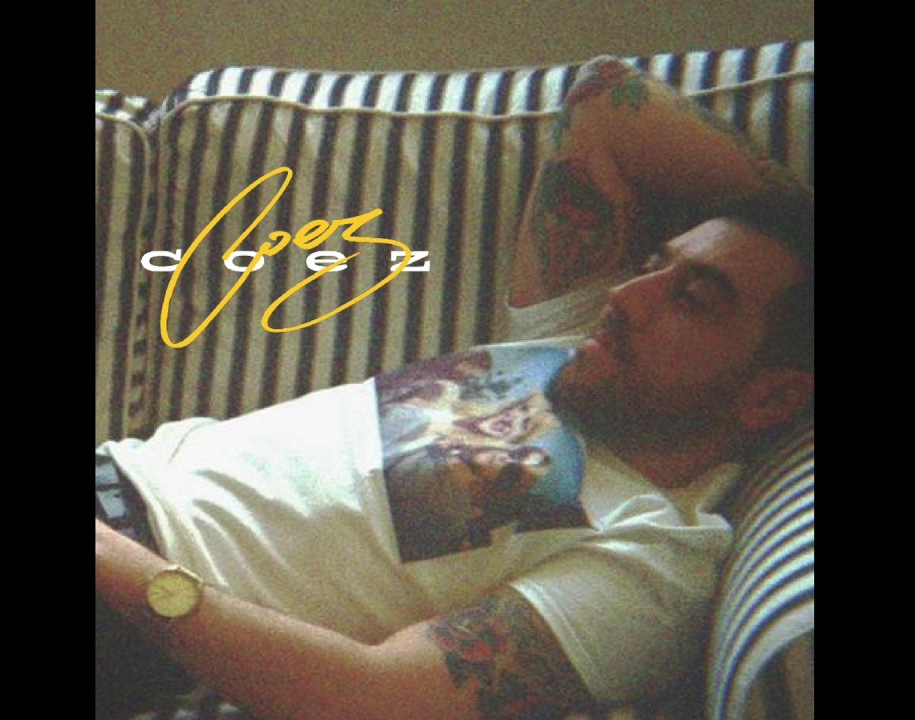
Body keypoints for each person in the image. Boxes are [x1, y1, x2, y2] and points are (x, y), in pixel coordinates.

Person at [95, 55, 814, 720]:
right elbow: (605, 102)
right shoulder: (570, 339)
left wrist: (120, 564)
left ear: (773, 396)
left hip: (132, 606)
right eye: (655, 265)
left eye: (694, 299)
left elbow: (368, 698)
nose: (626, 296)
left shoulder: (652, 564)